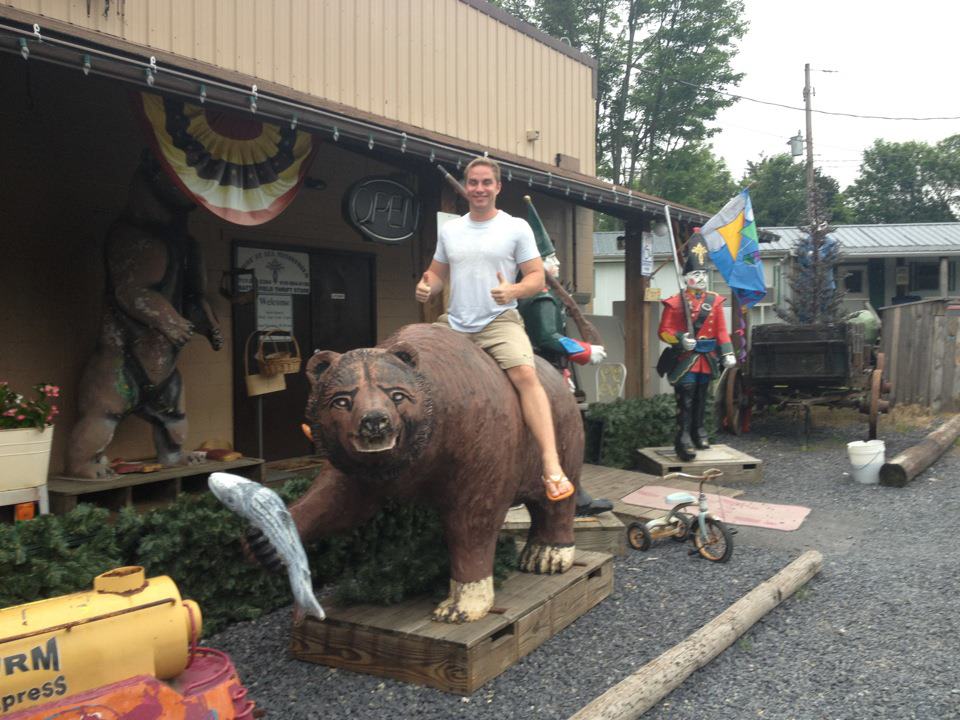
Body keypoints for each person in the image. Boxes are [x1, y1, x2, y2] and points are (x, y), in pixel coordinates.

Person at [415, 156, 574, 501]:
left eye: (486, 182)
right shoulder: (451, 230)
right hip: (455, 323)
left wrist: (512, 291)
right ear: (466, 187)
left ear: (498, 187)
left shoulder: (515, 227)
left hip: (498, 321)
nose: (479, 189)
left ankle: (550, 463)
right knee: (413, 365)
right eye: (473, 182)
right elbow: (437, 275)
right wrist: (427, 287)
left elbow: (535, 277)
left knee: (525, 375)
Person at [66, 149, 223, 478]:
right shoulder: (130, 234)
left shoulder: (187, 246)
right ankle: (83, 463)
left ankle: (174, 455)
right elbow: (130, 292)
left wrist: (208, 324)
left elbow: (194, 297)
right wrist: (168, 320)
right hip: (122, 361)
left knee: (176, 419)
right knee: (103, 413)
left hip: (165, 369)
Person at [516, 222, 614, 516]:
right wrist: (585, 350)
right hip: (548, 373)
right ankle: (572, 494)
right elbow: (548, 337)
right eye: (550, 258)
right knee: (566, 435)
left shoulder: (542, 294)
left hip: (550, 371)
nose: (556, 262)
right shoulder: (542, 297)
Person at [657, 231, 736, 462]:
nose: (700, 278)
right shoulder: (675, 302)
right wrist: (680, 338)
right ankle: (683, 438)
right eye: (695, 274)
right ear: (685, 278)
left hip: (708, 357)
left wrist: (728, 352)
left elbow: (722, 330)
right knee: (686, 398)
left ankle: (699, 431)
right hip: (686, 359)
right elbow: (663, 331)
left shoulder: (715, 301)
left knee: (703, 397)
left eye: (703, 273)